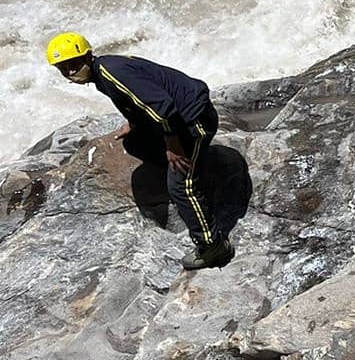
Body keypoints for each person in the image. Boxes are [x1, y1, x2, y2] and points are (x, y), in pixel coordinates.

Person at [46, 32, 234, 270]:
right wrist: (133, 124)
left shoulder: (112, 72)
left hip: (194, 120)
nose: (71, 72)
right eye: (63, 68)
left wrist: (173, 147)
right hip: (181, 117)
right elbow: (133, 99)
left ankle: (213, 247)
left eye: (73, 64)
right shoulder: (103, 71)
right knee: (134, 143)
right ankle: (191, 168)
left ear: (87, 55)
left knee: (180, 187)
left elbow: (163, 108)